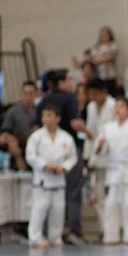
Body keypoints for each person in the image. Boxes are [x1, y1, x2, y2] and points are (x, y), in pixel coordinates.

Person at [36, 69, 93, 245]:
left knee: (46, 196)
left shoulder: (43, 100)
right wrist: (90, 133)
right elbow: (75, 123)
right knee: (73, 191)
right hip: (68, 148)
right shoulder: (69, 99)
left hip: (47, 153)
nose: (72, 83)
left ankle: (46, 232)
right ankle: (73, 230)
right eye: (68, 80)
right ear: (60, 83)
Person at [94, 98, 128, 245]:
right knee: (111, 203)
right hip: (114, 169)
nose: (118, 110)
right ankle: (111, 235)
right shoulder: (108, 127)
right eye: (116, 107)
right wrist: (100, 146)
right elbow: (99, 149)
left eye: (122, 106)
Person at [25, 105, 78, 248]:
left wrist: (64, 167)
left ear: (58, 118)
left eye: (49, 115)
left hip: (59, 179)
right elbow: (30, 156)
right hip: (42, 179)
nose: (45, 119)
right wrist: (44, 165)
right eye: (43, 116)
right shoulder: (36, 137)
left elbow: (72, 157)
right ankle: (35, 237)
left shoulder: (66, 137)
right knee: (39, 209)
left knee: (58, 210)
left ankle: (55, 236)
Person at [85, 78, 117, 230]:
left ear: (104, 92)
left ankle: (114, 228)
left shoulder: (114, 106)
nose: (93, 96)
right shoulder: (91, 106)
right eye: (90, 93)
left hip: (112, 157)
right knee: (97, 195)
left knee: (112, 195)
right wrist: (88, 157)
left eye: (95, 93)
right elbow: (90, 133)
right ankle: (105, 229)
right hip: (95, 156)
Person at [0, 82, 38, 170]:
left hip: (37, 147)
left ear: (35, 94)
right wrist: (10, 140)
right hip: (20, 146)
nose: (28, 96)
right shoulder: (13, 111)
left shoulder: (39, 110)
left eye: (31, 93)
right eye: (25, 93)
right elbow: (5, 131)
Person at [90, 26, 118, 94]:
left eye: (105, 34)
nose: (104, 36)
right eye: (102, 34)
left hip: (110, 75)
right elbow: (92, 59)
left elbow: (110, 57)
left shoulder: (112, 45)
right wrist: (102, 58)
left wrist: (99, 60)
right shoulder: (96, 46)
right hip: (99, 75)